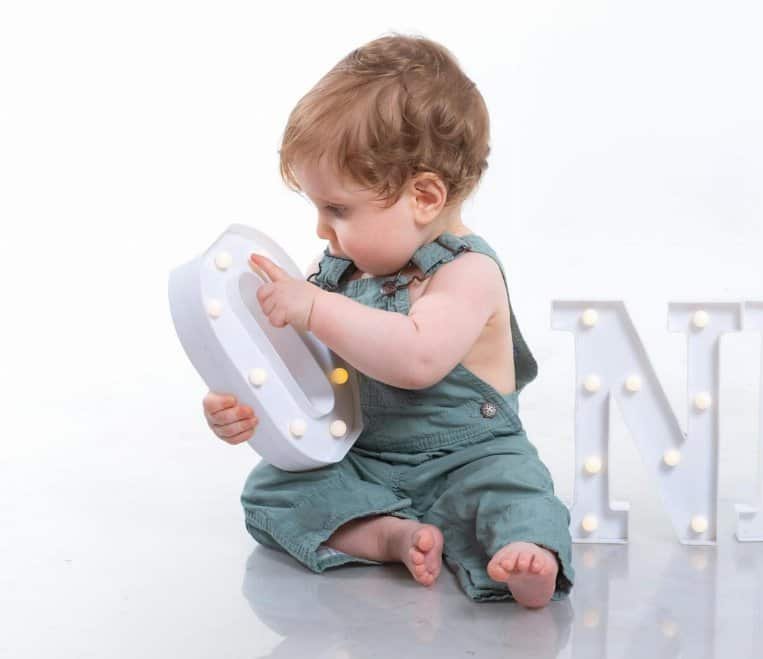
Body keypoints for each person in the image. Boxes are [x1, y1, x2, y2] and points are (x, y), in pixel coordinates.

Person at [200, 33, 574, 608]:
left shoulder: (467, 273)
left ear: (424, 196)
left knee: (516, 491)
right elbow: (300, 369)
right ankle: (388, 536)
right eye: (318, 209)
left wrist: (318, 308)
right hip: (367, 459)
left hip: (470, 458)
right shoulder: (335, 274)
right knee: (270, 491)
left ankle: (530, 555)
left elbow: (417, 358)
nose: (323, 230)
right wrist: (249, 407)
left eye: (339, 210)